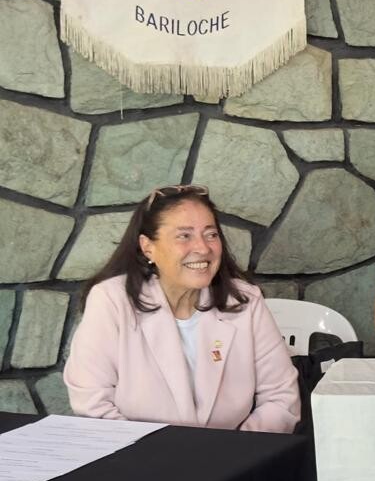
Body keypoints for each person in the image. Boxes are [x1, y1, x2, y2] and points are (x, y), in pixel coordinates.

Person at [64, 184, 299, 433]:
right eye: (184, 236)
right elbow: (92, 404)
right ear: (147, 247)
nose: (203, 248)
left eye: (211, 234)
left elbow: (281, 397)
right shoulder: (111, 299)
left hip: (236, 452)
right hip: (137, 454)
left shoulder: (245, 300)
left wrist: (234, 451)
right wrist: (158, 454)